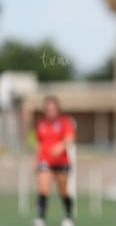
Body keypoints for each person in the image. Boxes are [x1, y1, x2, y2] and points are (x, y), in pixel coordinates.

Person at [33, 96, 75, 226]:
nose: (50, 111)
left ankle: (69, 216)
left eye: (52, 108)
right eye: (47, 108)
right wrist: (36, 160)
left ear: (57, 109)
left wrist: (60, 147)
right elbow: (39, 143)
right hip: (45, 160)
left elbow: (70, 138)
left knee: (63, 190)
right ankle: (40, 218)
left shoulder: (65, 122)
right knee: (43, 188)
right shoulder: (41, 123)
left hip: (62, 162)